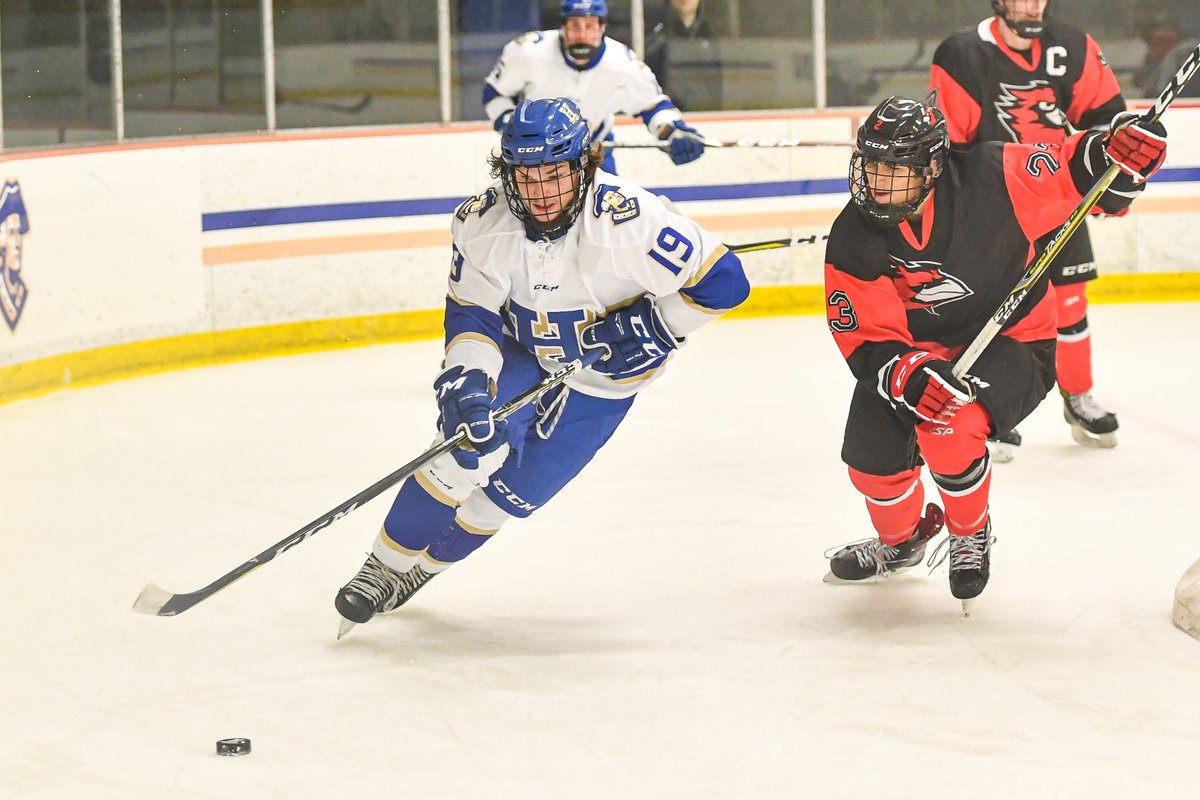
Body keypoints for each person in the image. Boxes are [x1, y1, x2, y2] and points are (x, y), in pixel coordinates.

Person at [333, 97, 749, 637]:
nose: (541, 191)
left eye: (555, 174)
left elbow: (726, 282)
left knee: (514, 493)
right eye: (526, 175)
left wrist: (659, 326)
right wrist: (467, 380)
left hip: (605, 382)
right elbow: (473, 317)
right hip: (523, 352)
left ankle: (425, 569)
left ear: (585, 166)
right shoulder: (481, 223)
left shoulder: (631, 220)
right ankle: (382, 569)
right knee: (465, 450)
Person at [822, 94, 1166, 610]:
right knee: (870, 462)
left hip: (1013, 341)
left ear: (933, 166)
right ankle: (901, 543)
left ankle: (969, 532)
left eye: (895, 169)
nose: (877, 181)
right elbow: (866, 332)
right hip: (918, 355)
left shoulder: (992, 174)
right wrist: (907, 373)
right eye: (871, 164)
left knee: (947, 429)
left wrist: (1113, 154)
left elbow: (1073, 173)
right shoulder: (854, 232)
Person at [928, 0, 1128, 459]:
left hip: (1059, 198)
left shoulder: (1073, 46)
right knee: (992, 313)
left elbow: (1108, 119)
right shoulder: (960, 54)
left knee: (1071, 303)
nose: (1028, 5)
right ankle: (990, 411)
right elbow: (951, 145)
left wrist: (1108, 162)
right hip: (996, 209)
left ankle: (1078, 399)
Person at [482, 0, 706, 175]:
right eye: (575, 25)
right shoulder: (529, 52)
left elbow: (653, 106)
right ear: (563, 27)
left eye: (590, 26)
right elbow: (493, 92)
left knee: (608, 223)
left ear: (602, 28)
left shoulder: (622, 64)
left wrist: (674, 132)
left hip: (595, 154)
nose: (582, 35)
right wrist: (509, 123)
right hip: (534, 157)